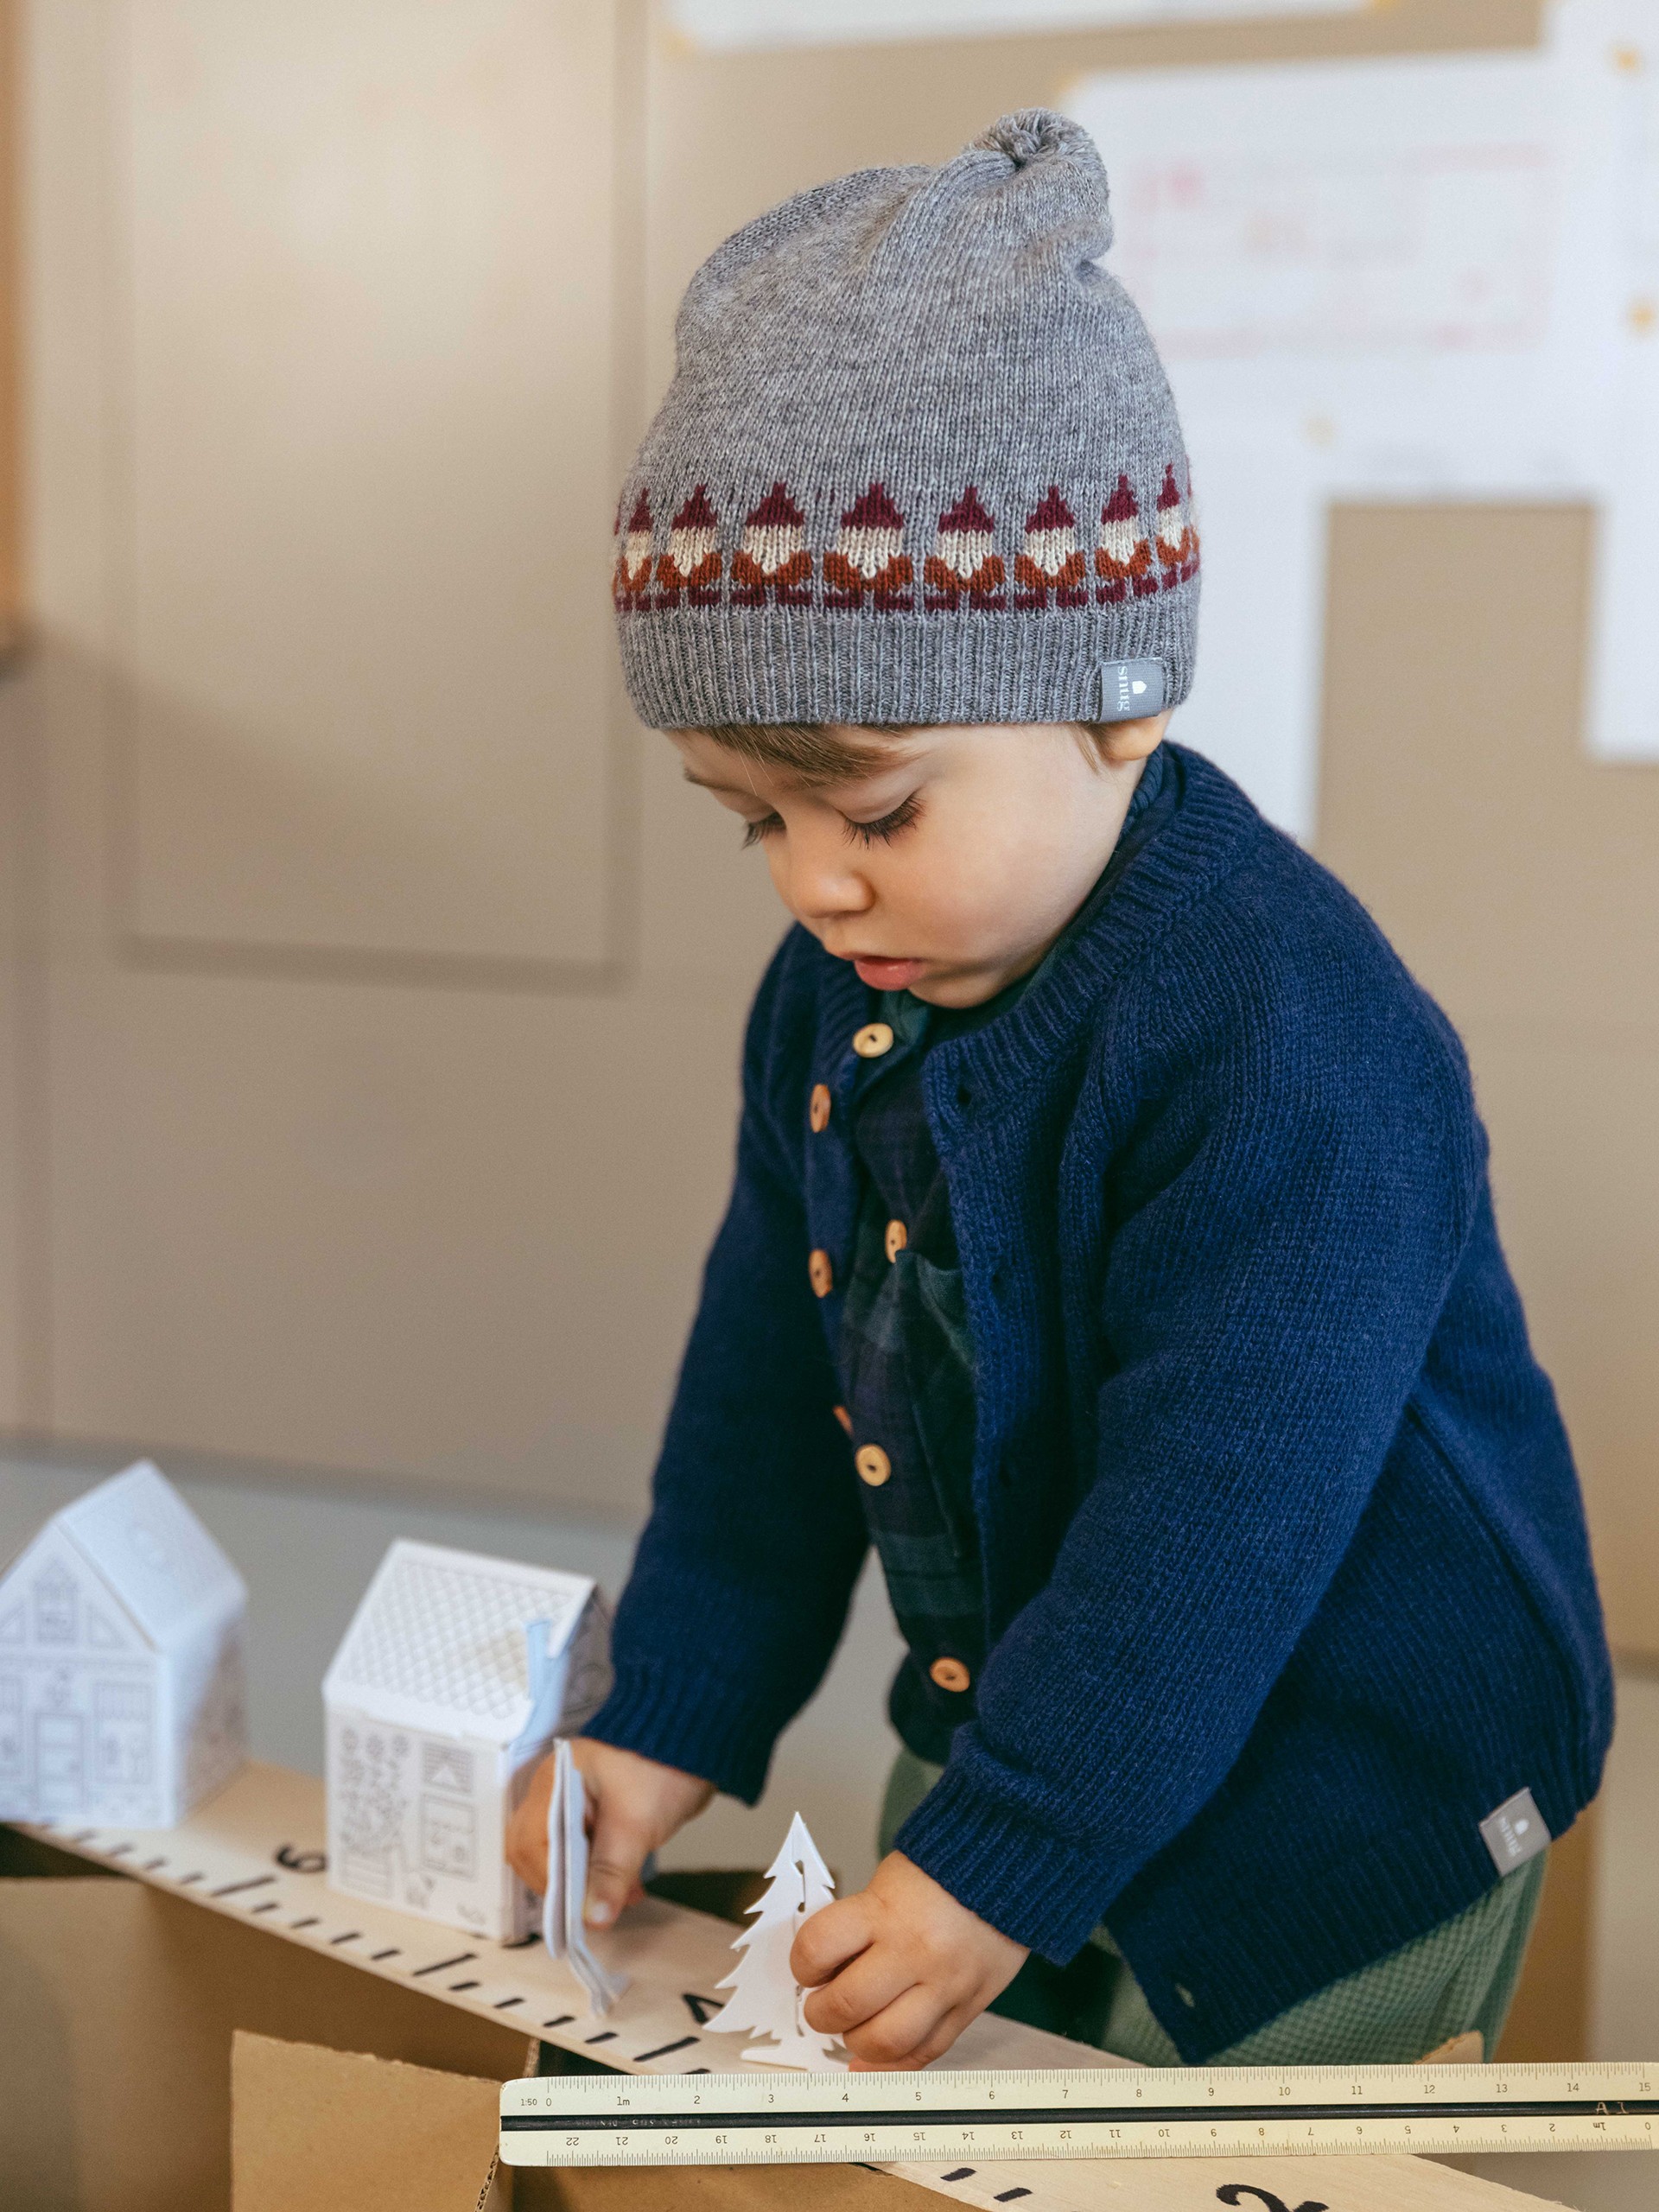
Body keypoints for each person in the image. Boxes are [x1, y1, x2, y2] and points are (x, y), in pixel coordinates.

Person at [506, 110, 1611, 2073]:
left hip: (1345, 1793)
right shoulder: (832, 999)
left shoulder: (1292, 1034)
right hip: (1059, 1732)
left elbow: (1219, 1517)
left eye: (877, 806)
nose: (811, 880)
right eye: (745, 818)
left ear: (1120, 687)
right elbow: (772, 1387)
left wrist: (999, 1857)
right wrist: (667, 1702)